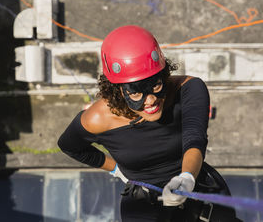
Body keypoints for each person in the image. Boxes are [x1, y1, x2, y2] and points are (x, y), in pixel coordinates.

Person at [57, 25, 242, 221]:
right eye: (136, 92)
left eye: (156, 85)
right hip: (143, 206)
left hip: (199, 191)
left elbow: (194, 139)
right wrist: (114, 168)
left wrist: (186, 178)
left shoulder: (188, 90)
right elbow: (70, 146)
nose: (151, 100)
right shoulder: (97, 119)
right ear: (117, 90)